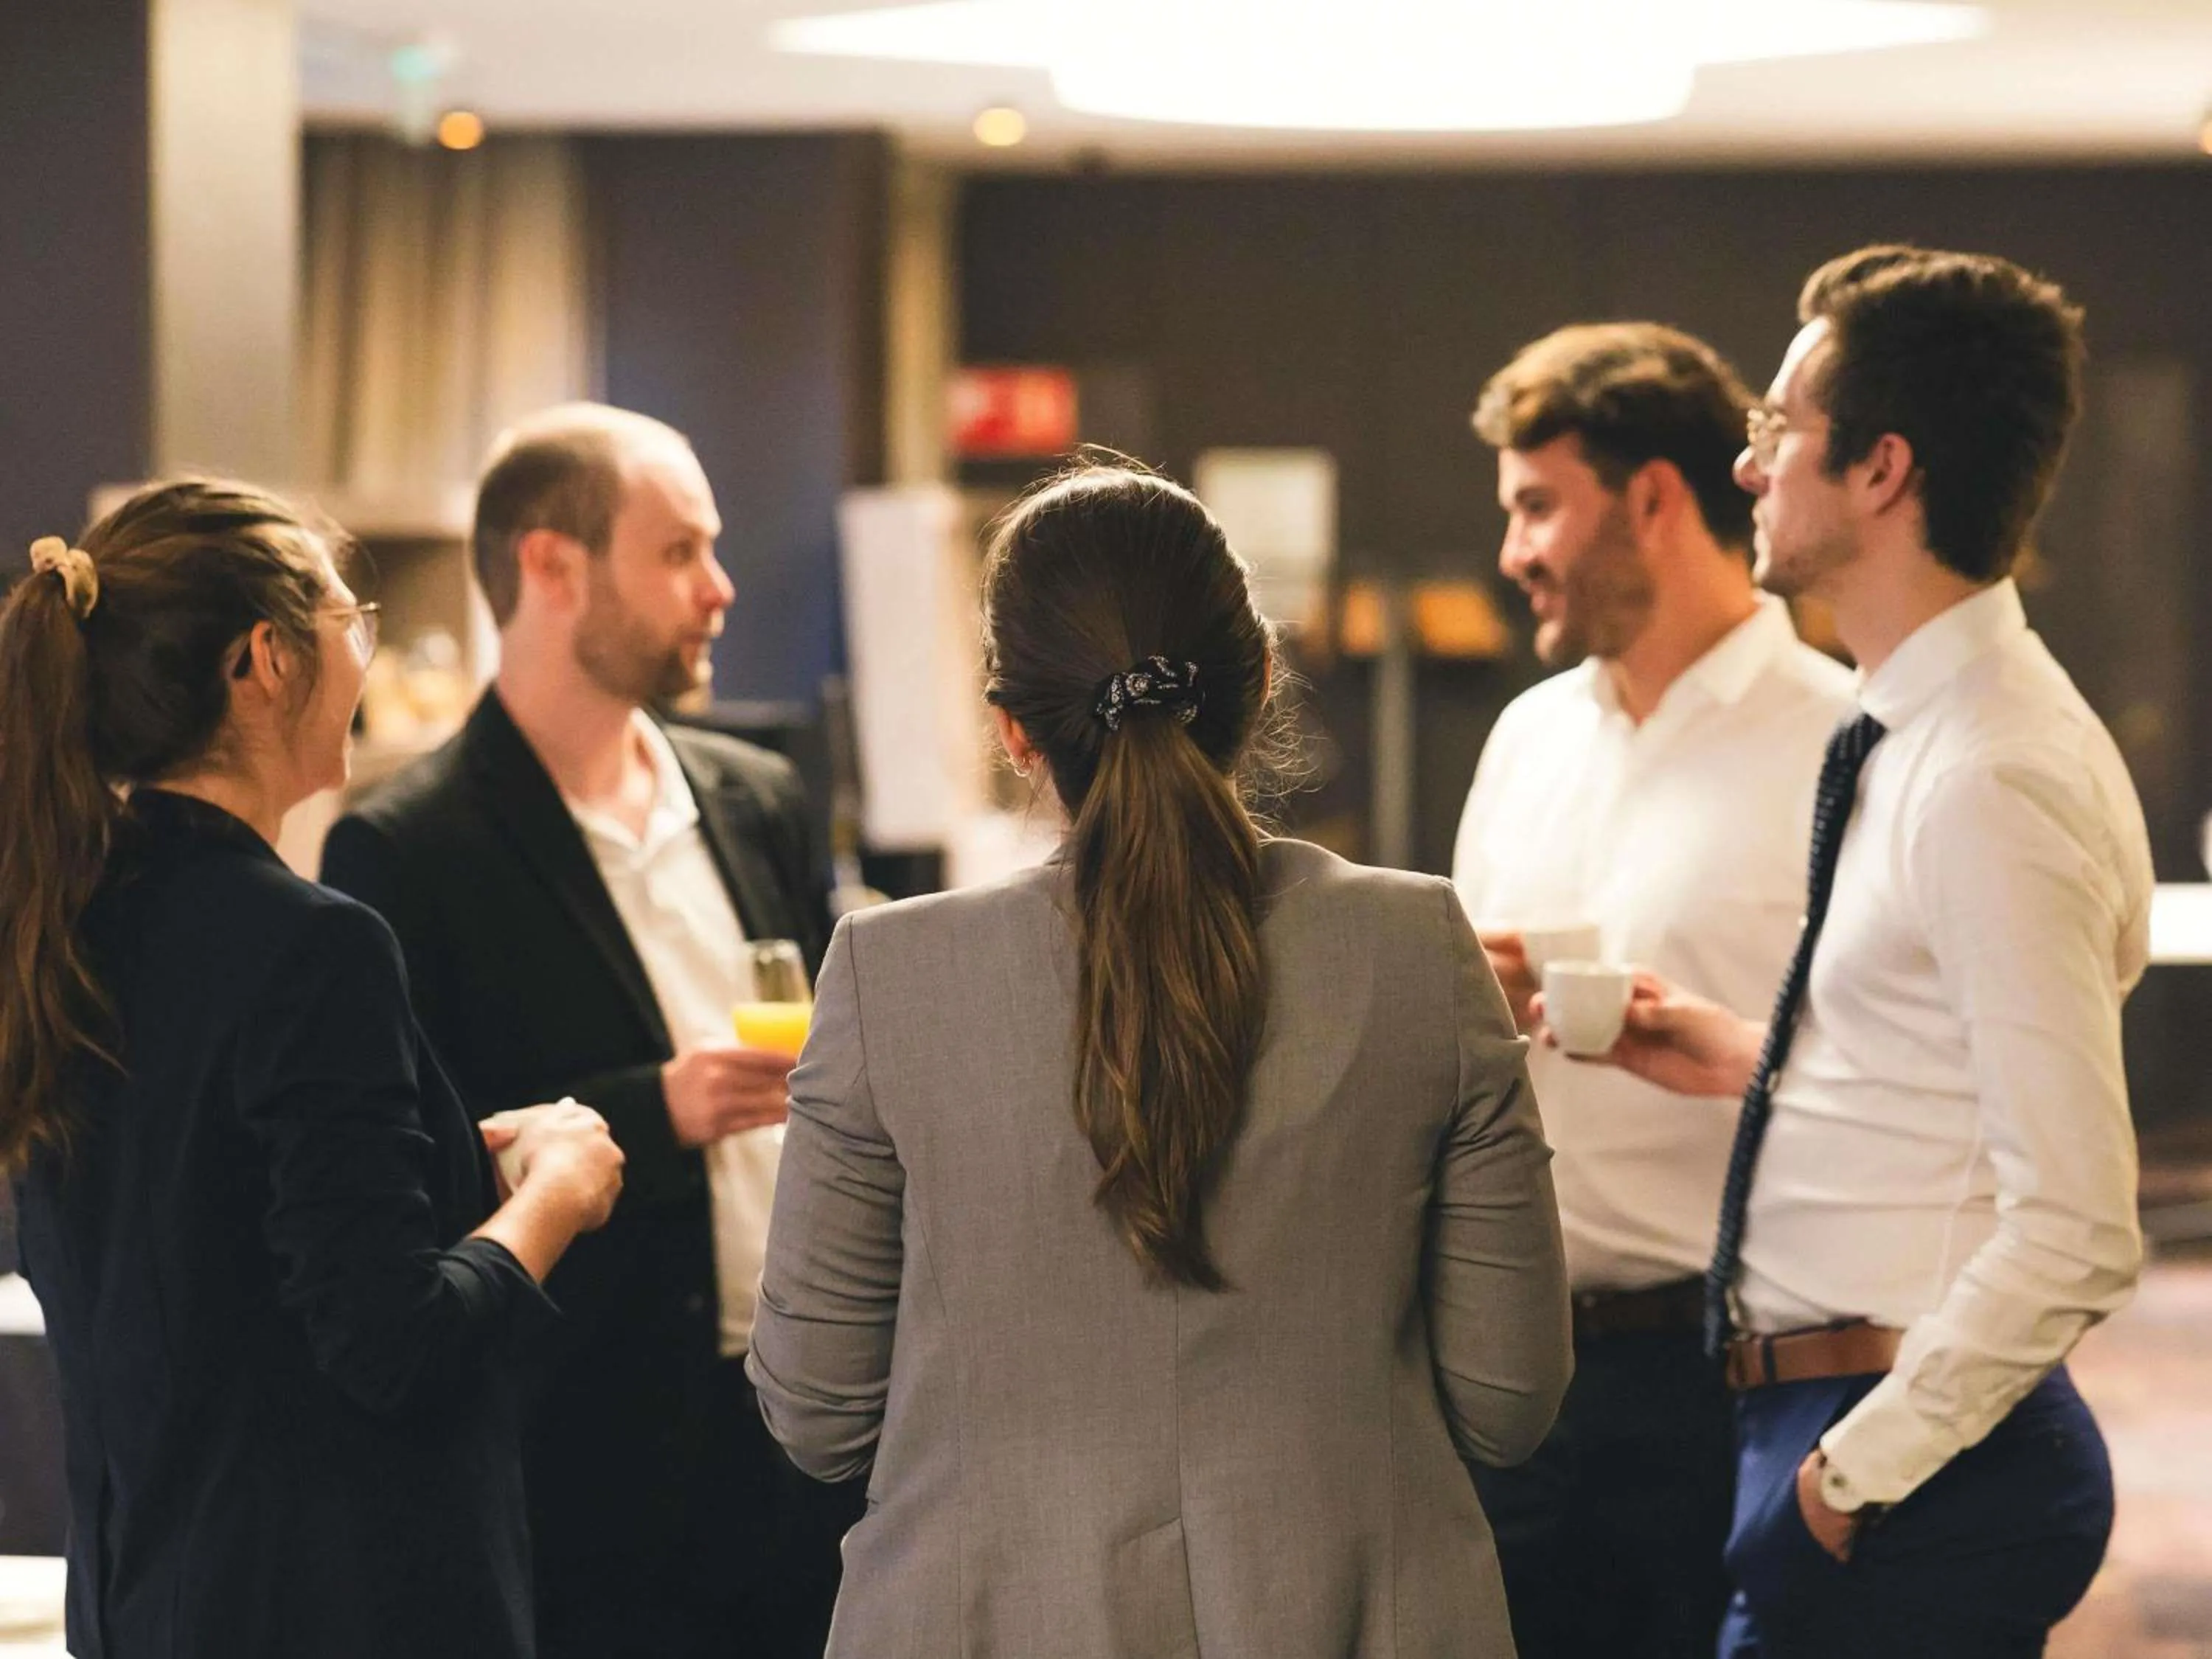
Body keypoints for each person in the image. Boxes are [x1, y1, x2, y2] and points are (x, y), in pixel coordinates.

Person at [747, 461, 1574, 1658]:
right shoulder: (1417, 951)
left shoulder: (889, 978)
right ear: (1266, 678)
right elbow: (1510, 1401)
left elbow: (816, 1412)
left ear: (1012, 726)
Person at [1553, 247, 2150, 1657]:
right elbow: (1952, 1086)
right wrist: (1749, 1059)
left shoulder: (1993, 771)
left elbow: (2078, 1223)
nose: (1748, 469)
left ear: (1883, 470)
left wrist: (1848, 1476)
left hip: (1904, 1455)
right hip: (1833, 1427)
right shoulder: (1911, 729)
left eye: (1774, 433)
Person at [0, 480, 625, 1659]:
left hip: (148, 1603)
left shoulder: (64, 926)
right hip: (331, 1609)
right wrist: (558, 1190)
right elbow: (396, 1346)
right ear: (266, 662)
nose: (365, 655)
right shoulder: (310, 943)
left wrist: (440, 1162)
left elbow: (215, 1253)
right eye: (352, 619)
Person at [319, 404, 858, 1659]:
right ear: (552, 568)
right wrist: (652, 1109)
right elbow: (421, 1160)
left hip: (807, 1435)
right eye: (679, 553)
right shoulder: (407, 846)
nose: (721, 588)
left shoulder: (759, 796)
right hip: (593, 1463)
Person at [1451, 323, 1854, 1659]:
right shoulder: (1526, 736)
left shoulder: (1848, 739)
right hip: (1512, 1367)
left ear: (1657, 497)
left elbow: (1912, 1064)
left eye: (1537, 506)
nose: (1515, 550)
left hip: (1729, 1372)